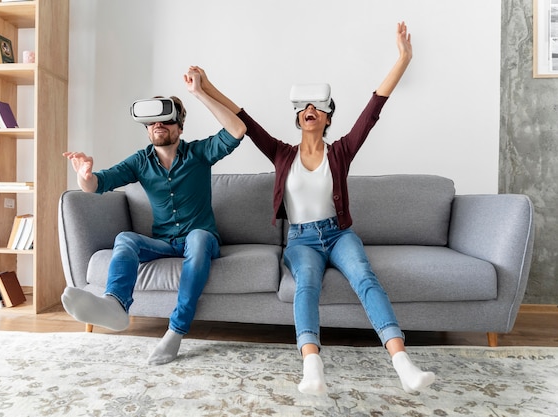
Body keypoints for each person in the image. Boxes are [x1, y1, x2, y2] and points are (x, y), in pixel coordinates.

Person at [190, 21, 435, 395]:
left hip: (338, 235)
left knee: (365, 278)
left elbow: (373, 109)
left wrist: (403, 58)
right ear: (297, 118)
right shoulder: (280, 154)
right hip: (301, 241)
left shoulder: (341, 152)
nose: (310, 110)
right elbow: (245, 119)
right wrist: (205, 88)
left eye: (317, 108)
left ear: (326, 119)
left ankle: (403, 365)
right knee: (306, 285)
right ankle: (312, 368)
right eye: (303, 107)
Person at [61, 67, 246, 366]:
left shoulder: (199, 153)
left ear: (180, 128)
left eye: (167, 119)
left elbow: (237, 131)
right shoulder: (140, 161)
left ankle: (176, 331)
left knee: (198, 238)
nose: (159, 124)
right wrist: (84, 175)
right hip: (163, 242)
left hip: (201, 239)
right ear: (147, 129)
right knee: (125, 239)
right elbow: (97, 184)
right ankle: (116, 306)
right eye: (153, 121)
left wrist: (199, 92)